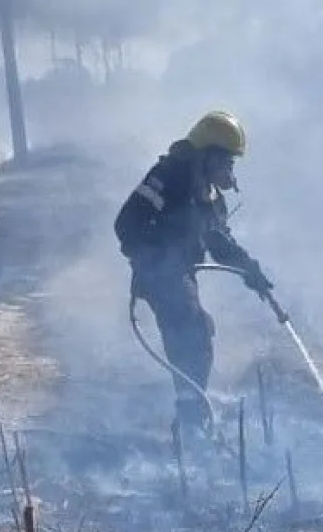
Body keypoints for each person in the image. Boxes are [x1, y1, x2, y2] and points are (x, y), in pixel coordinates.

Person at [114, 110, 274, 444]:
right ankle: (190, 419)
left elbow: (219, 243)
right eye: (226, 162)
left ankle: (193, 409)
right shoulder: (169, 177)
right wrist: (152, 258)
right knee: (191, 328)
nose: (230, 172)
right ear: (207, 156)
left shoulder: (210, 198)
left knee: (199, 330)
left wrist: (250, 270)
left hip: (181, 274)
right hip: (158, 274)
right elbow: (127, 223)